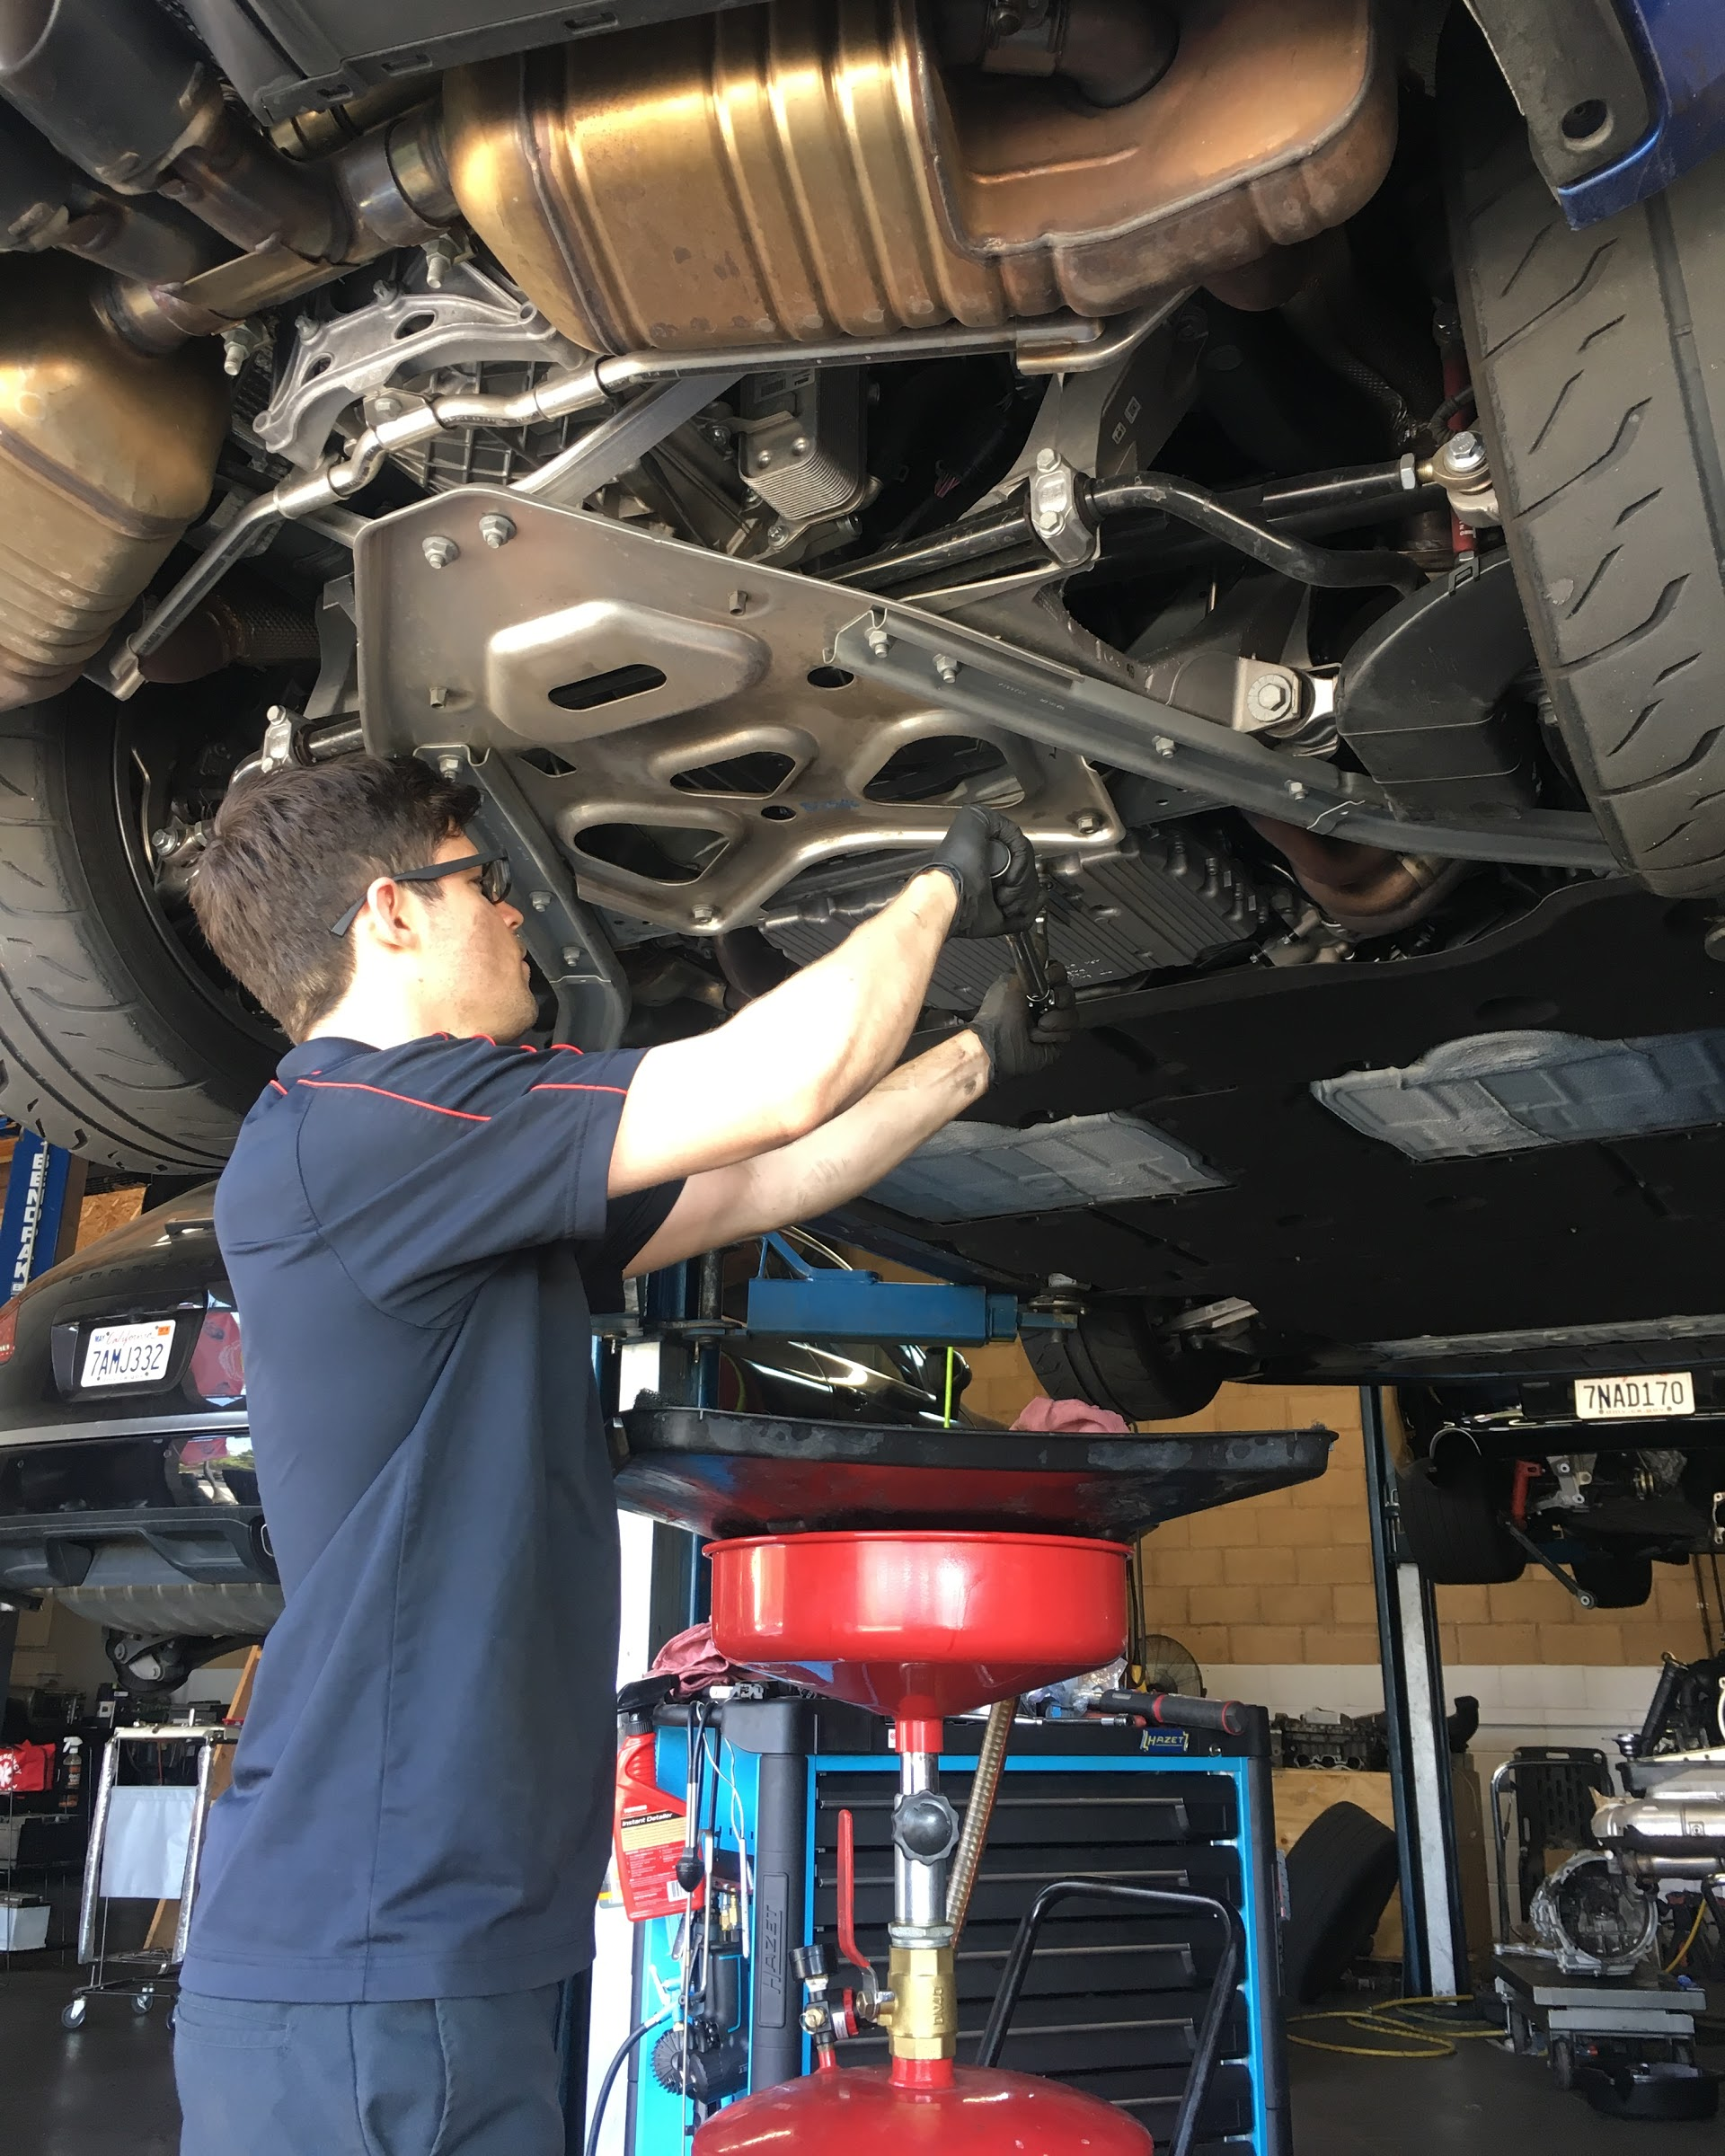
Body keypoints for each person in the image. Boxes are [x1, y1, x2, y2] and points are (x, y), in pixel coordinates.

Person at [172, 752, 1073, 2155]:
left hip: (446, 1946)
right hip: (363, 1969)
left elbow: (761, 1178)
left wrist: (972, 1055)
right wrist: (946, 878)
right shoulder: (361, 1133)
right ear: (390, 915)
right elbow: (778, 1083)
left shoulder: (439, 1171)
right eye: (485, 881)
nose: (518, 913)